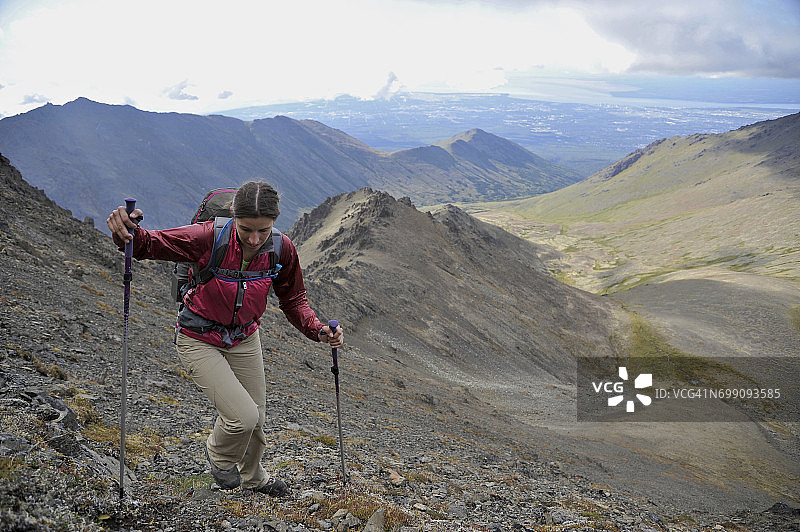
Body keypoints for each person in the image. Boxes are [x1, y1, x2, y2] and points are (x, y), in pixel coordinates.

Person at [107, 181, 343, 497]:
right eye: (246, 229)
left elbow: (293, 299)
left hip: (244, 337)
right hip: (198, 337)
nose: (254, 239)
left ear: (275, 221)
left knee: (257, 418)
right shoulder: (207, 237)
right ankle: (219, 457)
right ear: (233, 215)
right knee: (243, 417)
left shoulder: (281, 248)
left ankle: (254, 477)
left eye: (263, 230)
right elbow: (148, 244)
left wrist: (318, 330)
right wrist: (126, 231)